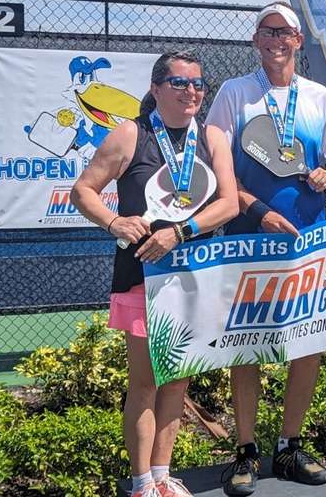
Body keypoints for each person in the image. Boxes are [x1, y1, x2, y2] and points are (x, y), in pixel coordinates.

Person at [71, 51, 239, 497]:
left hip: (195, 277)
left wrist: (181, 232)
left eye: (199, 84)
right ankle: (142, 482)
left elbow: (229, 203)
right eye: (180, 83)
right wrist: (114, 222)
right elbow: (83, 190)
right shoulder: (131, 134)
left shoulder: (213, 137)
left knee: (178, 380)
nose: (192, 92)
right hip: (142, 277)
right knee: (145, 383)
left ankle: (163, 476)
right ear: (156, 88)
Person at [204, 1, 326, 496]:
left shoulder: (319, 96)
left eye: (284, 31)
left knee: (305, 343)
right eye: (267, 31)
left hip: (308, 241)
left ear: (298, 41)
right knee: (247, 345)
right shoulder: (234, 94)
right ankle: (245, 451)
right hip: (246, 238)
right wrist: (255, 210)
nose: (275, 39)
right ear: (255, 40)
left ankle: (288, 446)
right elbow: (217, 171)